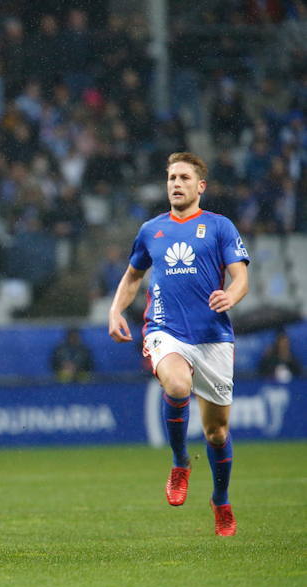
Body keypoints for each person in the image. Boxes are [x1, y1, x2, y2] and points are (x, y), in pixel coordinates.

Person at [108, 152, 250, 536]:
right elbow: (133, 275)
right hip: (165, 329)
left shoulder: (220, 227)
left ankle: (220, 499)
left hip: (213, 337)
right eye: (171, 177)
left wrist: (231, 297)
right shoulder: (151, 229)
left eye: (184, 178)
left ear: (200, 186)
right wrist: (115, 311)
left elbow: (239, 278)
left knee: (217, 433)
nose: (176, 183)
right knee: (175, 384)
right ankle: (180, 462)